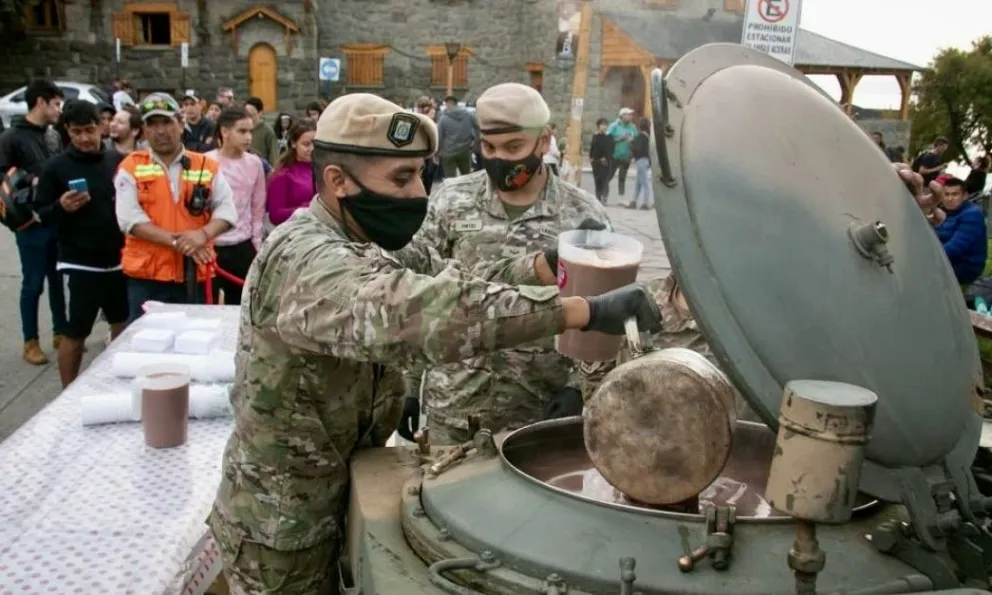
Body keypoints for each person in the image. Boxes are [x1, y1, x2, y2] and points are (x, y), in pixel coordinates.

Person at [207, 92, 661, 593]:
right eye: (401, 178)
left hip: (333, 498)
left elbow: (457, 279)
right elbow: (422, 312)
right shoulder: (308, 259)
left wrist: (544, 264)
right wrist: (582, 310)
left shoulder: (364, 242)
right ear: (338, 181)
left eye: (421, 174)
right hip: (281, 529)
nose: (418, 193)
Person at [394, 82, 611, 446]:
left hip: (538, 408)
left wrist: (579, 388)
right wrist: (410, 385)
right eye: (489, 147)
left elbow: (602, 313)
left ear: (544, 141)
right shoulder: (451, 200)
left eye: (514, 147)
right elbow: (421, 291)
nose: (500, 159)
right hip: (455, 402)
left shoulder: (582, 215)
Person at [114, 92, 237, 318]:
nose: (160, 131)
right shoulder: (130, 167)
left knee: (196, 344)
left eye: (167, 122)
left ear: (181, 125)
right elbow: (130, 220)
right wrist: (182, 243)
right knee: (148, 347)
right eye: (152, 124)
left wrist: (202, 234)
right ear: (144, 129)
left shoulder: (206, 165)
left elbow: (227, 211)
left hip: (197, 275)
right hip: (147, 278)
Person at [32, 100, 128, 387]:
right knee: (76, 331)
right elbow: (40, 214)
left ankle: (120, 384)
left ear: (102, 127)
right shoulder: (56, 168)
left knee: (123, 326)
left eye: (89, 130)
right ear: (67, 132)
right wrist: (61, 206)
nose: (84, 138)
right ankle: (66, 394)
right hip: (80, 260)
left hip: (119, 257)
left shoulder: (117, 161)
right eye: (76, 132)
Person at [0, 79, 69, 365]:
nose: (58, 110)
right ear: (40, 102)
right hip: (29, 223)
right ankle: (30, 340)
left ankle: (60, 332)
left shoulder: (53, 135)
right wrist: (30, 180)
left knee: (57, 279)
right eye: (55, 104)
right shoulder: (11, 137)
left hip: (55, 217)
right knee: (33, 283)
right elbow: (3, 176)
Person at [206, 108, 266, 305]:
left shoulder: (255, 163)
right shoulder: (206, 161)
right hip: (211, 245)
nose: (248, 137)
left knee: (243, 307)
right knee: (208, 305)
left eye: (250, 131)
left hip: (242, 245)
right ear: (224, 132)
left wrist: (256, 245)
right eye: (242, 131)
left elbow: (258, 206)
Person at [933, 177, 987, 288]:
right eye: (946, 194)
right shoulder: (950, 212)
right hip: (950, 262)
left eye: (955, 194)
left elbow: (955, 248)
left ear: (965, 195)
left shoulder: (972, 215)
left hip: (966, 267)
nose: (950, 198)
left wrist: (927, 255)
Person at [266, 119, 316, 226]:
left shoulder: (323, 169)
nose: (312, 149)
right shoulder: (283, 174)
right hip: (297, 234)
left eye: (315, 143)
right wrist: (309, 208)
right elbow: (275, 215)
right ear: (294, 143)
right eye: (306, 144)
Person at [437, 95, 478, 178]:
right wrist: (475, 141)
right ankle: (466, 191)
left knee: (450, 178)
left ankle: (452, 191)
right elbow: (478, 127)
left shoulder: (443, 119)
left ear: (448, 104)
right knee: (466, 176)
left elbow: (439, 136)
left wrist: (438, 151)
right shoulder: (468, 115)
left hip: (448, 152)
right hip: (465, 150)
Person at [608, 107, 637, 200]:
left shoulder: (632, 127)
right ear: (622, 116)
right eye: (628, 115)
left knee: (622, 178)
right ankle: (602, 195)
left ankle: (621, 197)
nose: (630, 116)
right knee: (609, 176)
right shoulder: (614, 126)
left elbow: (637, 139)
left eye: (631, 115)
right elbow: (607, 140)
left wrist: (632, 140)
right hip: (614, 156)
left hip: (626, 157)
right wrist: (620, 139)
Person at [627, 117, 653, 210]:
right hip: (646, 160)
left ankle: (645, 202)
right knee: (638, 182)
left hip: (640, 160)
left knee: (644, 182)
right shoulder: (648, 137)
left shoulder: (639, 137)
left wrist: (630, 142)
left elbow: (635, 148)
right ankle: (634, 201)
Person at [244, 97, 280, 165]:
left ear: (260, 113)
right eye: (246, 114)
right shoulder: (243, 130)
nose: (248, 117)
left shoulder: (268, 131)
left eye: (251, 114)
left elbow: (274, 157)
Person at [589, 117, 614, 204]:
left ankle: (604, 197)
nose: (604, 127)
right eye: (602, 125)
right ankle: (598, 197)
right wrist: (591, 157)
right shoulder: (595, 136)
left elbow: (611, 149)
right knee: (597, 180)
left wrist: (606, 158)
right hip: (596, 162)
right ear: (598, 126)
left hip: (605, 162)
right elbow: (592, 147)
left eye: (605, 125)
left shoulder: (609, 136)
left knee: (605, 180)